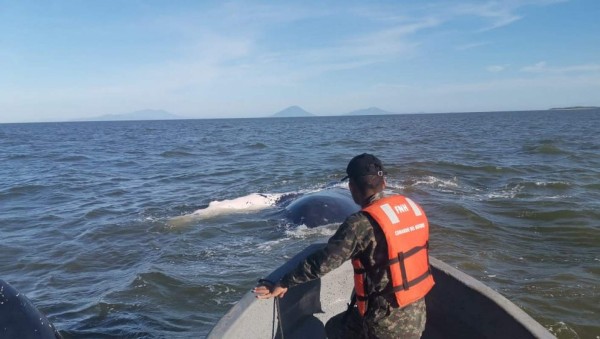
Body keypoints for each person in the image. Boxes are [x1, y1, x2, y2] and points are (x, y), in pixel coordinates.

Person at [253, 153, 434, 338]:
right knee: (336, 326)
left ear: (352, 187)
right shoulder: (411, 207)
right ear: (384, 183)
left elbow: (323, 262)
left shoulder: (360, 223)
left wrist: (284, 282)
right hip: (416, 311)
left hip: (385, 321)